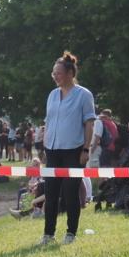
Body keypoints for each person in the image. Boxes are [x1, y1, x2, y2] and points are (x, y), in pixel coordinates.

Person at [40, 51, 95, 245]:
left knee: (71, 193)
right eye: (53, 73)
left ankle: (71, 233)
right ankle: (48, 234)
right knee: (51, 193)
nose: (55, 76)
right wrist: (44, 145)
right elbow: (48, 121)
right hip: (52, 151)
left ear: (70, 73)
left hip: (74, 150)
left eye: (59, 73)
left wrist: (86, 149)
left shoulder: (83, 94)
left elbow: (89, 123)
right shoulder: (52, 95)